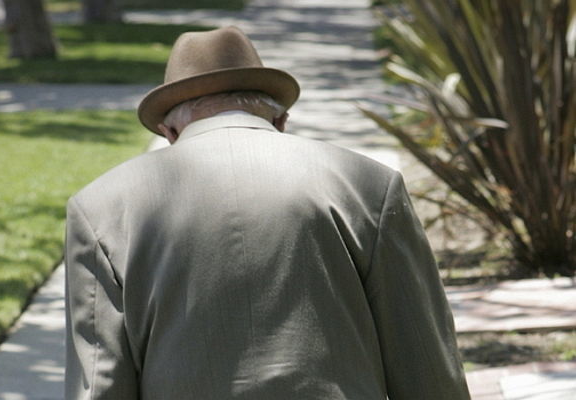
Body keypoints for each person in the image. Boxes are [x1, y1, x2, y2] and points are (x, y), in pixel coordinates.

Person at [64, 26, 470, 399]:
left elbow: (101, 383)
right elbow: (425, 364)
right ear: (280, 119)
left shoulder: (101, 207)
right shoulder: (368, 185)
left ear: (170, 132)